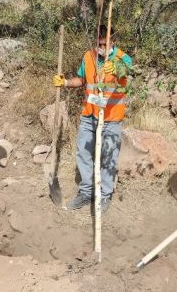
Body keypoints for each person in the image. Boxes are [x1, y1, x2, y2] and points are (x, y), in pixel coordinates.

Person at [52, 25, 132, 213]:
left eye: (105, 42)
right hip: (89, 115)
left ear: (113, 41)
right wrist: (64, 82)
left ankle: (104, 195)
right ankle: (86, 192)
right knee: (83, 153)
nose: (102, 46)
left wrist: (118, 67)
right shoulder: (88, 56)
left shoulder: (122, 58)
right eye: (99, 42)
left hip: (112, 117)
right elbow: (81, 81)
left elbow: (127, 70)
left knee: (108, 156)